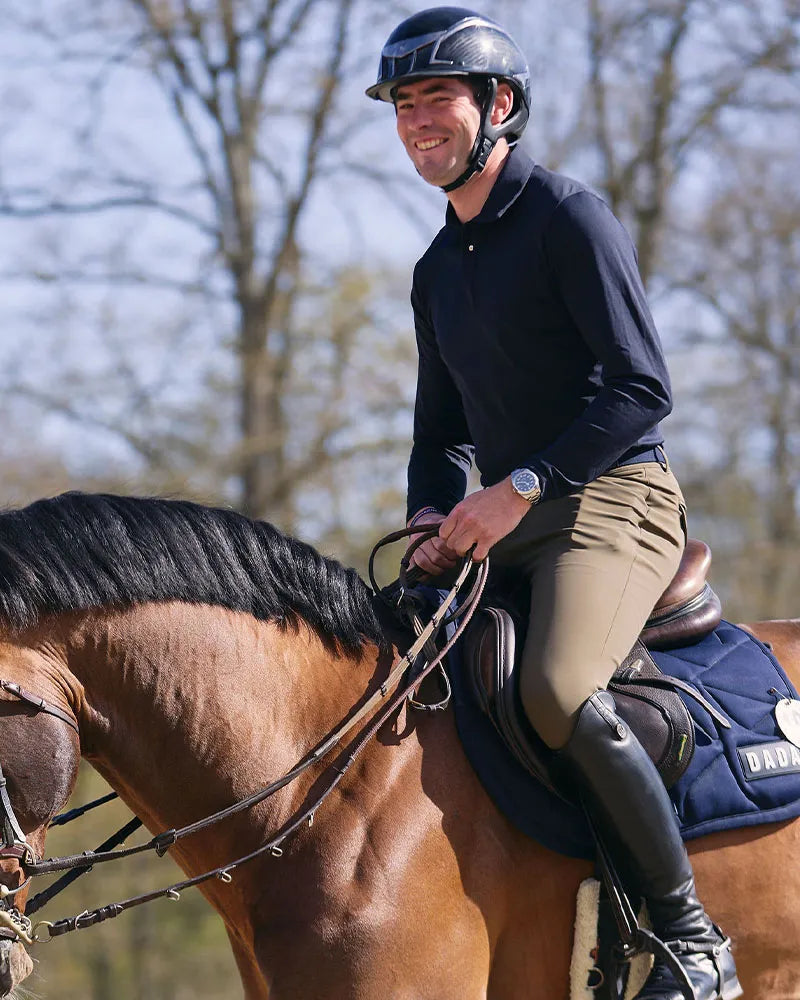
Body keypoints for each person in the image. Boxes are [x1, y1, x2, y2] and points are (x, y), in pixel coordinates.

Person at [366, 8, 741, 1000]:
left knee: (556, 690)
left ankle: (690, 939)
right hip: (503, 522)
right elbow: (436, 436)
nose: (414, 122)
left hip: (613, 500)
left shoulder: (569, 217)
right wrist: (423, 519)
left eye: (433, 98)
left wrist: (518, 487)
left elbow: (639, 389)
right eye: (401, 105)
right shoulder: (435, 271)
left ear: (497, 105)